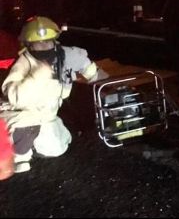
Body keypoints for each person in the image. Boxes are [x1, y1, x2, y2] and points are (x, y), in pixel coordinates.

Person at [0, 16, 107, 173]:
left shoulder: (70, 56)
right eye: (38, 43)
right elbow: (16, 97)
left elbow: (94, 73)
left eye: (47, 41)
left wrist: (113, 87)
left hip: (47, 115)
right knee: (26, 125)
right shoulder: (23, 63)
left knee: (56, 148)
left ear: (54, 40)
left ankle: (31, 143)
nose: (44, 46)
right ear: (28, 45)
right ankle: (18, 155)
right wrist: (36, 76)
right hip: (19, 113)